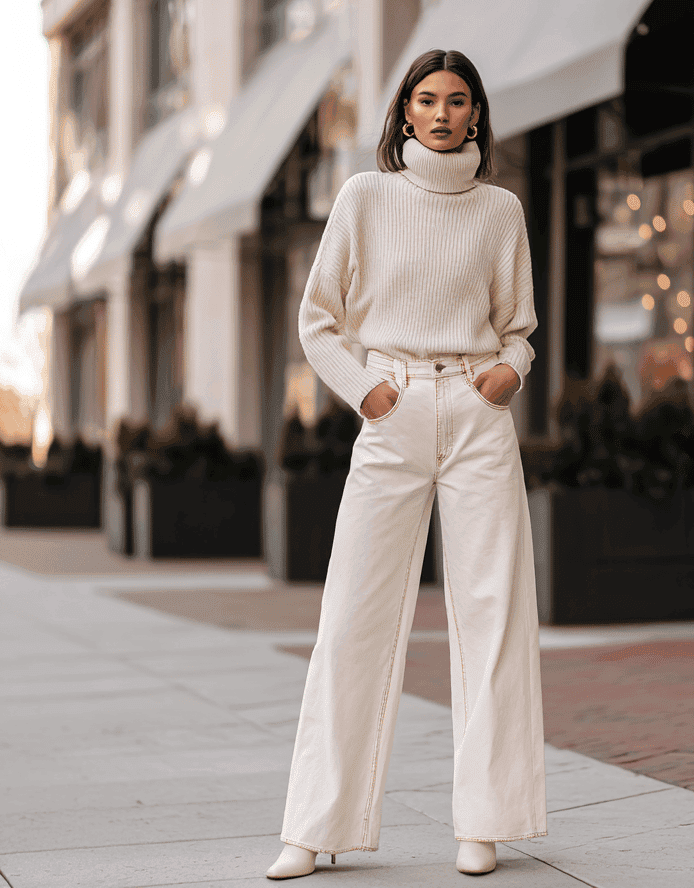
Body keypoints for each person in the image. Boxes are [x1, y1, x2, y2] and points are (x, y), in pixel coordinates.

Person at [265, 49, 546, 880]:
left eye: (458, 101)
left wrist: (509, 374)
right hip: (391, 412)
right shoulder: (366, 196)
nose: (442, 113)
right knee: (352, 614)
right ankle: (314, 826)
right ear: (404, 112)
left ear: (477, 116)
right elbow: (319, 319)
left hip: (474, 410)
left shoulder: (501, 210)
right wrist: (367, 392)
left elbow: (519, 326)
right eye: (427, 99)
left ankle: (484, 822)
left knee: (493, 613)